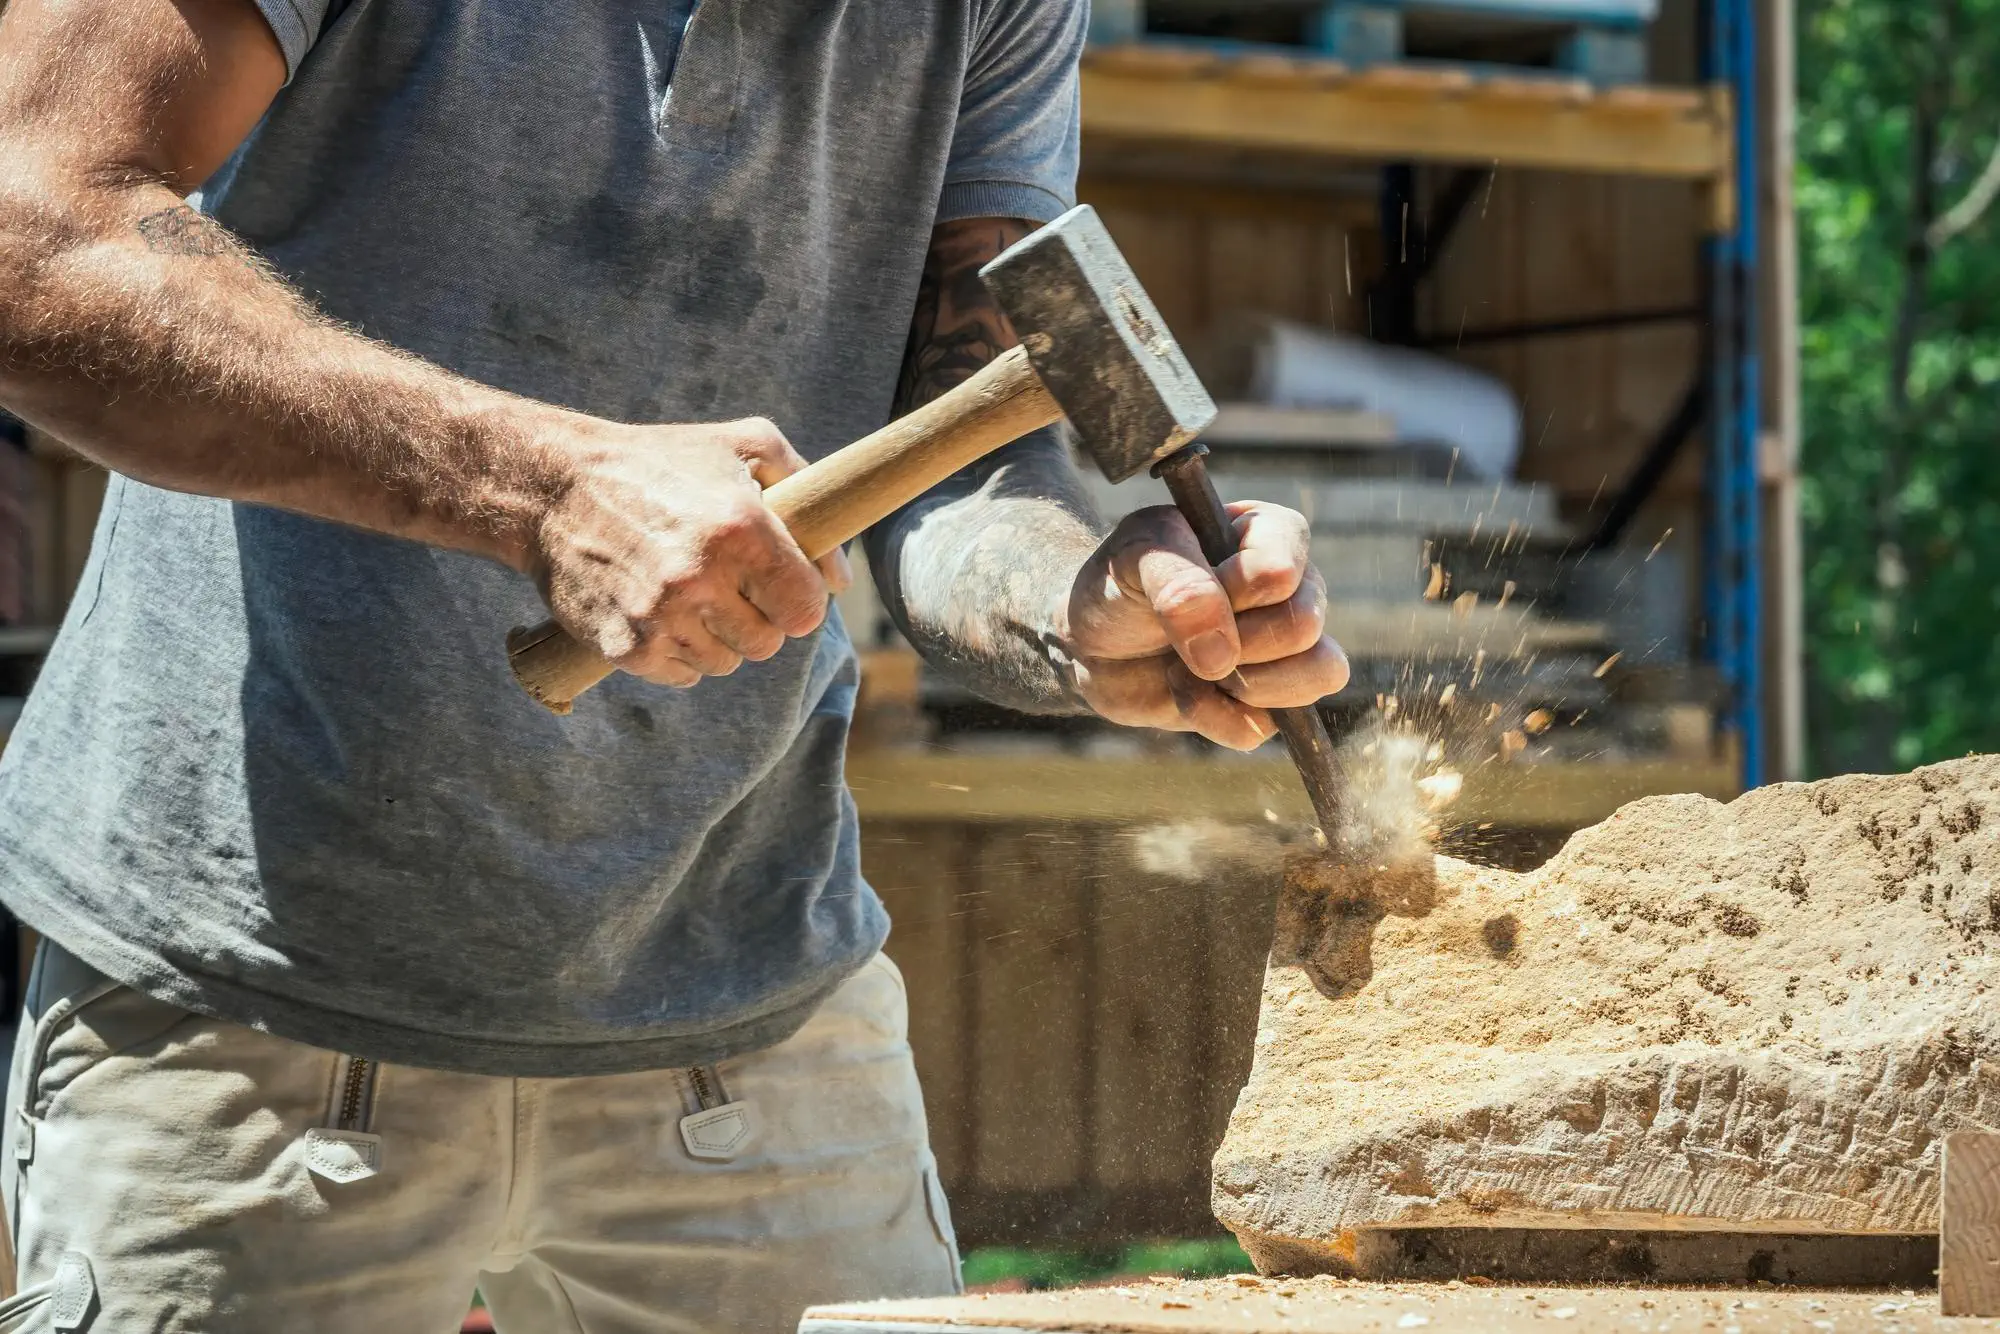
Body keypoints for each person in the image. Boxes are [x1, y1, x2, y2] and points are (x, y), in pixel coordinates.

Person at [0, 0, 1350, 1329]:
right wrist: (537, 487)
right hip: (247, 988)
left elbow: (967, 434)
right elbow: (30, 225)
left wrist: (1077, 601)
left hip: (746, 979)